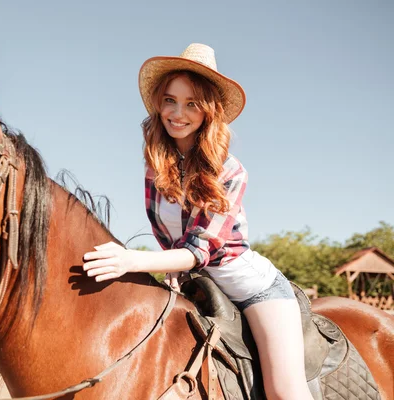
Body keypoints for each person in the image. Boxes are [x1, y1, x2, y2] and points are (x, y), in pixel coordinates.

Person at [82, 43, 313, 400]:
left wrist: (130, 259)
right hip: (193, 283)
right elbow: (169, 239)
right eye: (170, 100)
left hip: (252, 288)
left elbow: (197, 250)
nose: (177, 113)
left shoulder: (231, 171)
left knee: (285, 392)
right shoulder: (155, 166)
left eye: (191, 103)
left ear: (208, 111)